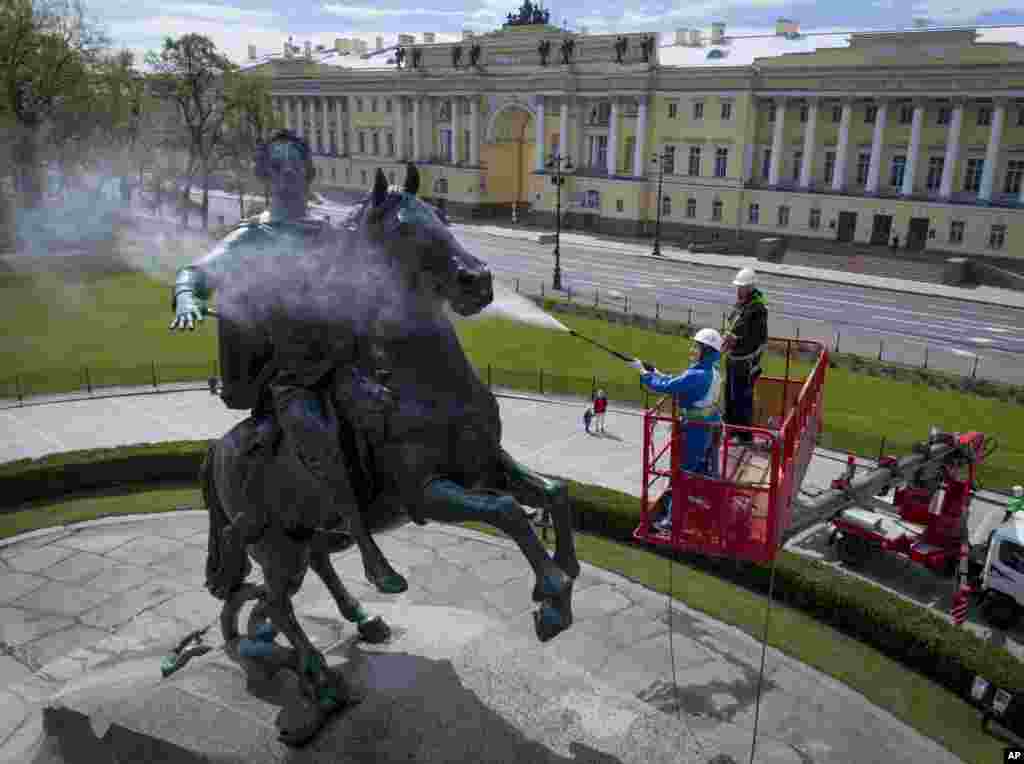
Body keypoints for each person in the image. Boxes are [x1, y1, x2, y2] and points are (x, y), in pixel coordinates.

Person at [169, 129, 397, 598]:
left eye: (296, 166)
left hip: (342, 362)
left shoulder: (331, 233)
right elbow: (195, 273)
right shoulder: (252, 238)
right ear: (266, 177)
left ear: (309, 172)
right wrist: (187, 297)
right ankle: (366, 546)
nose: (288, 176)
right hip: (291, 378)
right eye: (278, 168)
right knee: (315, 432)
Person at [631, 328, 724, 532]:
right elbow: (678, 381)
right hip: (708, 425)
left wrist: (644, 374)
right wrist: (656, 372)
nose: (693, 350)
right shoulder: (710, 372)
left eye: (697, 347)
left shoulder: (699, 374)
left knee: (683, 475)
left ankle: (673, 521)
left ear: (707, 351)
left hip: (696, 430)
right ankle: (706, 504)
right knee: (700, 470)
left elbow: (669, 387)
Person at [722, 267, 768, 447]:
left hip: (745, 362)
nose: (738, 290)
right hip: (734, 359)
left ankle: (744, 436)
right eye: (738, 287)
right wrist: (728, 337)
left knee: (741, 398)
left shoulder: (757, 311)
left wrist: (736, 341)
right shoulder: (741, 305)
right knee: (730, 396)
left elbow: (757, 340)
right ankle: (732, 431)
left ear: (750, 288)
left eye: (742, 287)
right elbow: (732, 324)